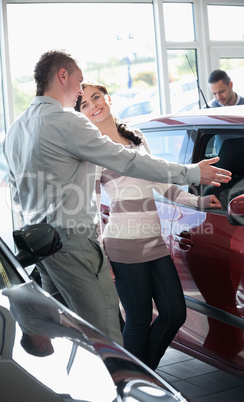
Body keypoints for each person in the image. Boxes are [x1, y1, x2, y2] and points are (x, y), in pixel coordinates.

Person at [3, 50, 231, 347]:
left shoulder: (15, 129)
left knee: (68, 336)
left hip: (40, 245)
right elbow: (128, 162)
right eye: (79, 82)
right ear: (63, 76)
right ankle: (120, 392)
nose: (80, 93)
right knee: (107, 334)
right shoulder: (68, 123)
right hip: (74, 242)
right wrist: (190, 173)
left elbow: (19, 192)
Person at [75, 81, 222, 369]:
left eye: (96, 97)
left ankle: (139, 380)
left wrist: (197, 203)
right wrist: (101, 258)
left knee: (174, 314)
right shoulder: (91, 152)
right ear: (80, 114)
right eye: (84, 104)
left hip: (154, 242)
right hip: (122, 246)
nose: (93, 105)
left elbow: (160, 183)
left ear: (108, 97)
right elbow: (90, 209)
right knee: (139, 320)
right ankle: (135, 386)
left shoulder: (137, 137)